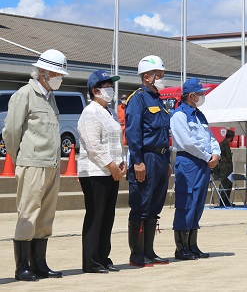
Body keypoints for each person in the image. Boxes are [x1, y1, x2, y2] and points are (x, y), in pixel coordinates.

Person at [2, 49, 68, 281]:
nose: (59, 78)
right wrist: (20, 156)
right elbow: (10, 131)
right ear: (42, 72)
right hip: (32, 164)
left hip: (51, 165)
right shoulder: (24, 95)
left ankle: (39, 263)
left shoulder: (50, 98)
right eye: (55, 73)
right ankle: (22, 267)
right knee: (28, 214)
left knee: (45, 216)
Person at [77, 70, 126, 273]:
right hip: (96, 172)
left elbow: (116, 141)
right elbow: (93, 145)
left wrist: (122, 163)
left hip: (111, 172)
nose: (110, 90)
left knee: (108, 216)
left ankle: (103, 256)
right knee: (96, 215)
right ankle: (91, 261)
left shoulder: (110, 112)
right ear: (95, 90)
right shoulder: (90, 112)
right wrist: (112, 166)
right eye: (106, 86)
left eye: (110, 86)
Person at [125, 55, 172, 267]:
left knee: (155, 207)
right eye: (158, 75)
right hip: (146, 157)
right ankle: (137, 254)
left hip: (161, 157)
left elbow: (165, 132)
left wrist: (168, 159)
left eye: (162, 75)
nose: (162, 78)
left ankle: (149, 251)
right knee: (141, 205)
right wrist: (137, 161)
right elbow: (133, 132)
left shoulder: (158, 100)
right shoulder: (138, 99)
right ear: (146, 77)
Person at [170, 78, 220, 260]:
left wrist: (216, 154)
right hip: (189, 162)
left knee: (198, 203)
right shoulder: (179, 115)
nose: (203, 96)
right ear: (191, 96)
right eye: (200, 94)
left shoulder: (200, 115)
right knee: (186, 202)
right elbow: (186, 142)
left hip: (203, 162)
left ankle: (192, 245)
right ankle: (181, 247)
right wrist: (208, 156)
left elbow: (210, 138)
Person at [212, 129, 235, 207]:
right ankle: (222, 201)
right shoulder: (223, 144)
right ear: (231, 137)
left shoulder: (226, 144)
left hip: (229, 169)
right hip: (224, 170)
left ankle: (227, 201)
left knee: (229, 185)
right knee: (224, 185)